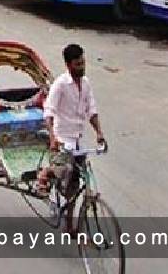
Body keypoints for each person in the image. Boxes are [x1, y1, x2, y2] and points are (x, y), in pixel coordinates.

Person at [36, 45, 106, 216]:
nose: (82, 67)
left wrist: (99, 133)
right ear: (68, 65)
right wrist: (53, 138)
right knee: (63, 169)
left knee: (74, 187)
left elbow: (92, 110)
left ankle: (69, 225)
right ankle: (45, 174)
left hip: (77, 141)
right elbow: (49, 112)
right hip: (61, 138)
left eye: (83, 63)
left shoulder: (86, 83)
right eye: (77, 64)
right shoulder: (60, 84)